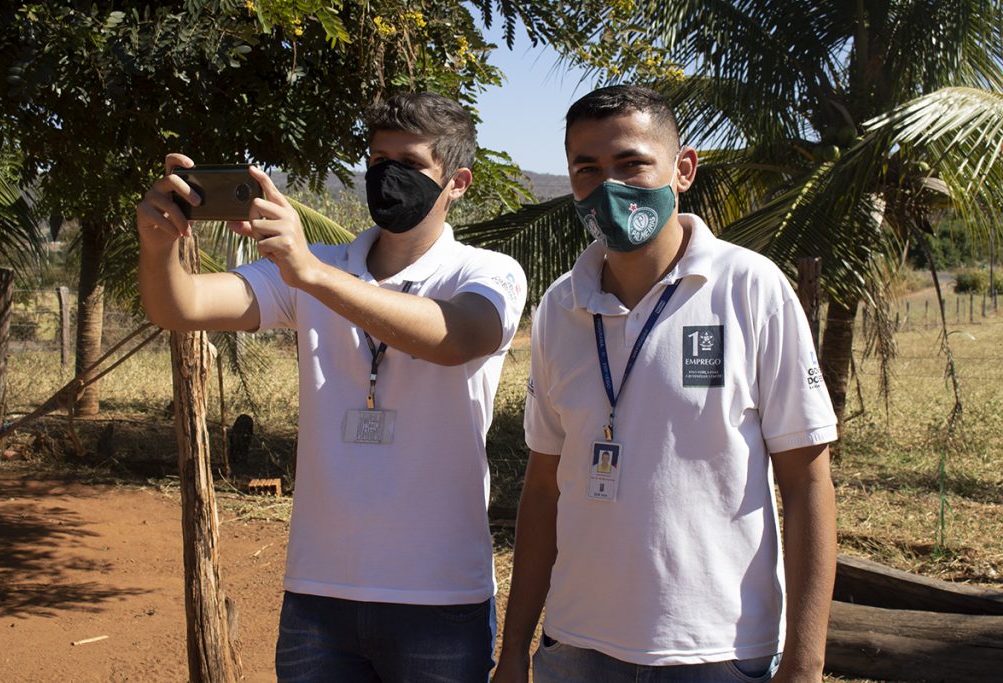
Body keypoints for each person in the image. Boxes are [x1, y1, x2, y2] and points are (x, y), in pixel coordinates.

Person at [137, 92, 526, 683]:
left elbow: (456, 337)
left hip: (440, 599)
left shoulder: (487, 271)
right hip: (318, 598)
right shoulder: (310, 267)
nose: (387, 175)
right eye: (376, 159)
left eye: (411, 163)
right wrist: (159, 245)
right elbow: (180, 305)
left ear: (458, 182)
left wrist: (314, 276)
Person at [493, 85, 838, 683]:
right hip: (575, 649)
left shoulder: (750, 288)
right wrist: (514, 648)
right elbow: (544, 488)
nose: (609, 187)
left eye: (631, 163)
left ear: (683, 169)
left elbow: (807, 480)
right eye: (588, 169)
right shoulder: (559, 307)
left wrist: (806, 663)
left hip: (718, 651)